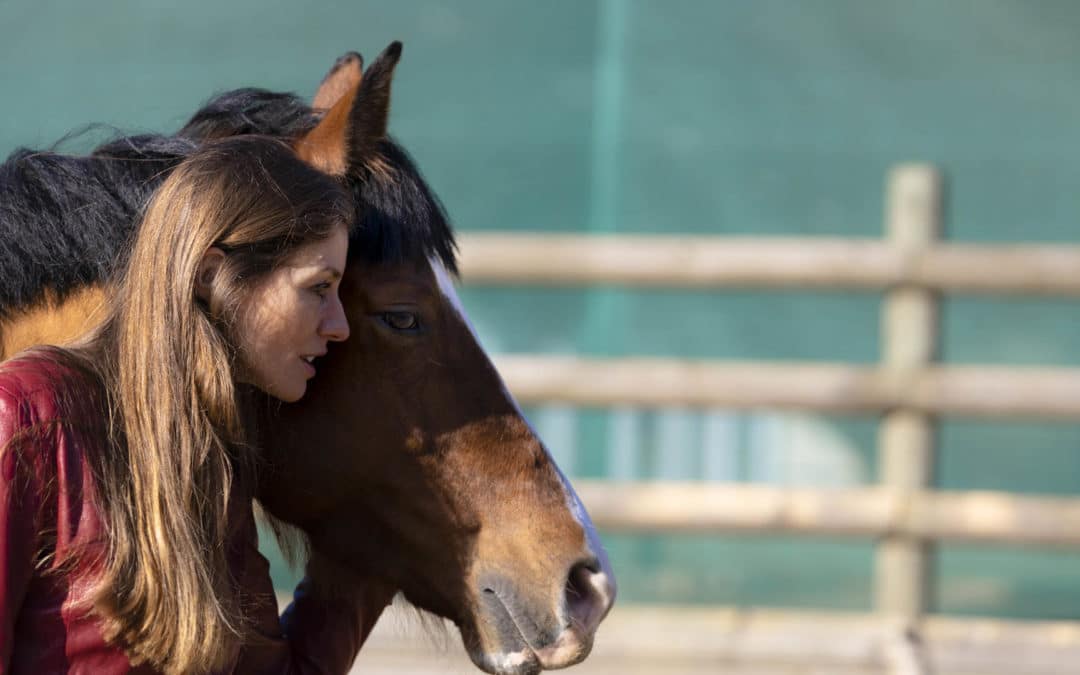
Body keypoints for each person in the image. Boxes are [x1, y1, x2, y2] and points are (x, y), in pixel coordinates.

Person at [0, 136, 391, 674]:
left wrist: (363, 557)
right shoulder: (26, 417)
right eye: (318, 288)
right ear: (210, 274)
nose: (338, 325)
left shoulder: (212, 451)